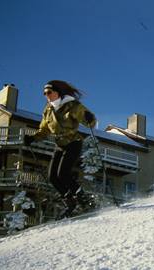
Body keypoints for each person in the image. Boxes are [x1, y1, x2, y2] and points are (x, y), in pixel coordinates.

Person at [24, 80, 97, 218]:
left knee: (63, 173)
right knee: (52, 177)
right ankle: (70, 202)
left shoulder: (72, 105)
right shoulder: (48, 110)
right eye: (45, 93)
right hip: (60, 145)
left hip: (73, 142)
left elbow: (90, 123)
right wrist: (33, 138)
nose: (47, 95)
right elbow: (44, 130)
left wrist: (90, 118)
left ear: (58, 92)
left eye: (49, 92)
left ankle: (85, 200)